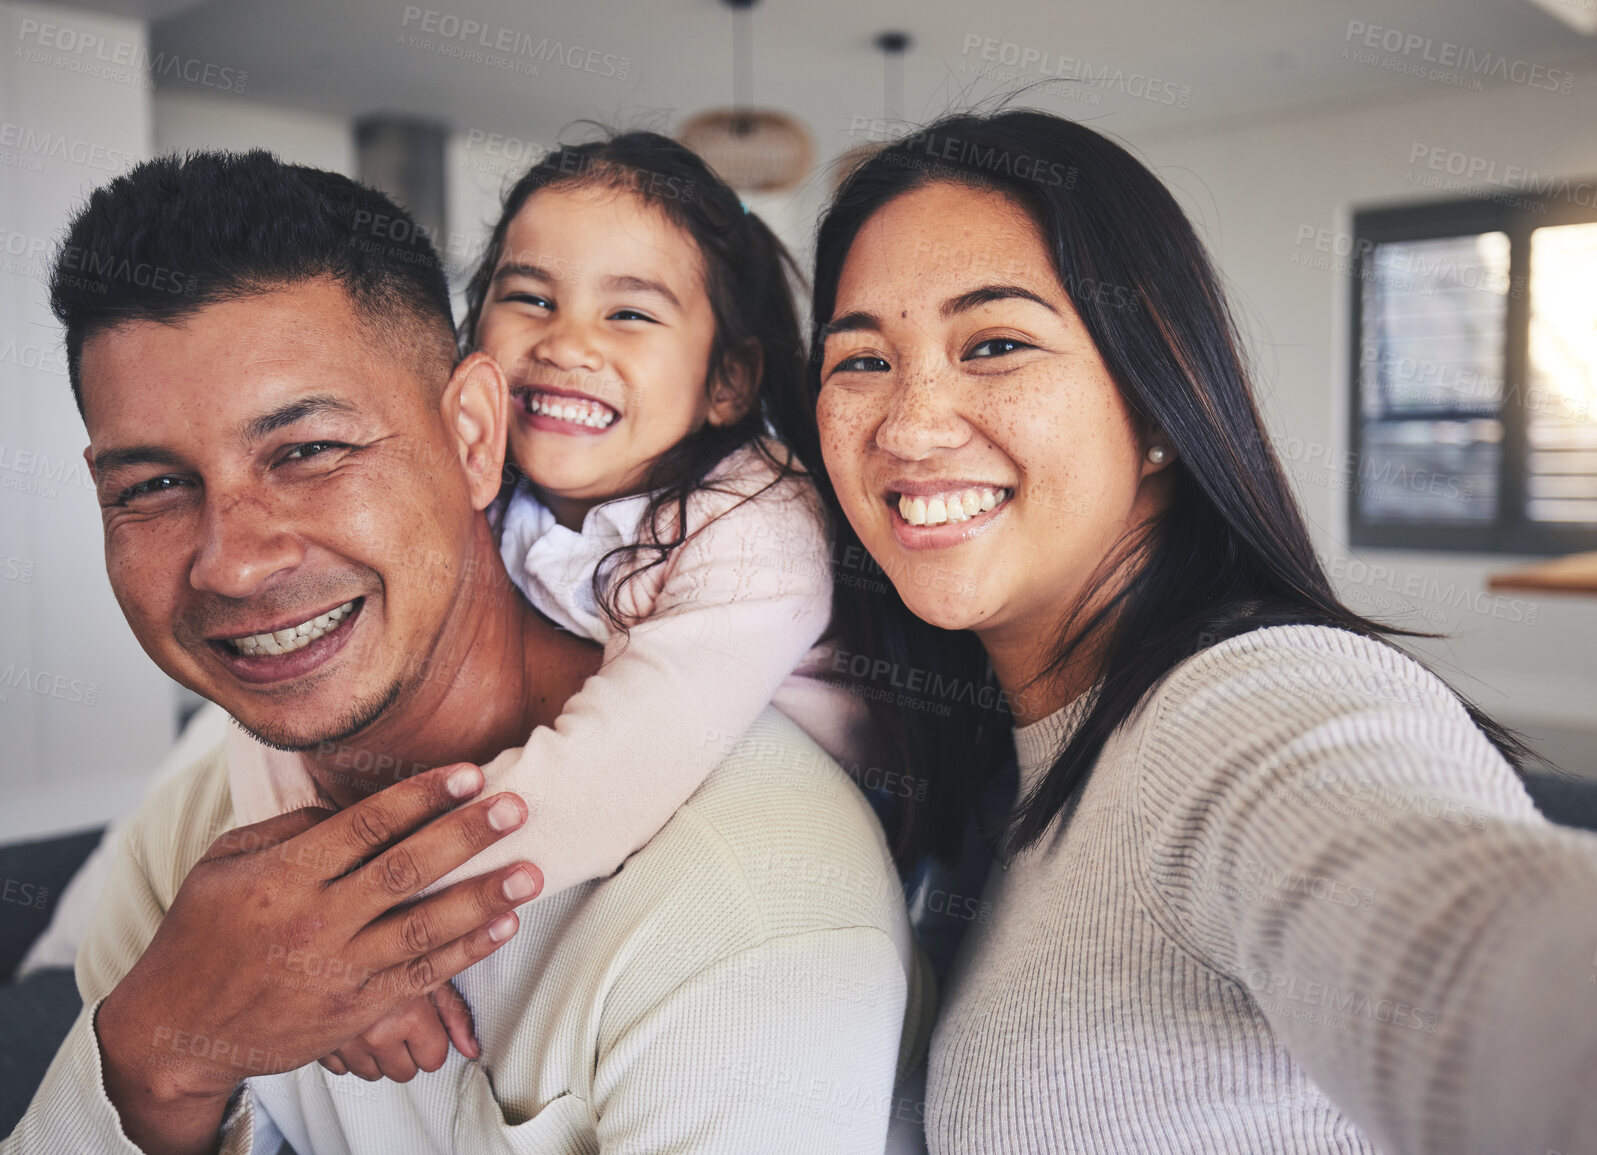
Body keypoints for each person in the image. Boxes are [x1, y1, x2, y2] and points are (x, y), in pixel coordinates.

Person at [793, 109, 1597, 1154]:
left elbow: (1485, 957)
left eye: (995, 343)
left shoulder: (1249, 706)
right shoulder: (977, 754)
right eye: (860, 360)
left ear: (1156, 401)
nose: (910, 426)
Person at [3, 150, 920, 1155]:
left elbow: (629, 759)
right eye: (151, 487)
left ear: (472, 435)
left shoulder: (753, 905)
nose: (233, 564)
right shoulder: (193, 842)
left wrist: (363, 931)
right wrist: (144, 1062)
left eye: (309, 451)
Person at [218, 131, 875, 1080]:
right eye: (529, 297)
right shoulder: (476, 478)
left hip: (806, 864)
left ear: (727, 380)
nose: (568, 343)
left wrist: (354, 936)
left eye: (630, 315)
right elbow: (299, 685)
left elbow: (596, 789)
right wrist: (293, 891)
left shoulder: (755, 527)